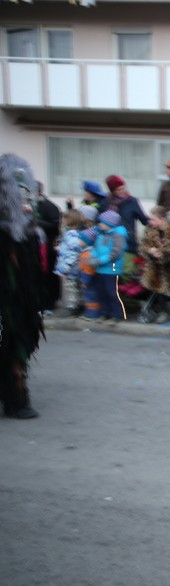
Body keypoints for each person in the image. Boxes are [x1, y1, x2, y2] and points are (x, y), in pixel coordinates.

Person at [0, 154, 46, 419]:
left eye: (28, 198)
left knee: (17, 343)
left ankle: (16, 396)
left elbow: (33, 274)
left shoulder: (27, 235)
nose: (27, 205)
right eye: (20, 198)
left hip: (19, 304)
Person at [138, 206, 170, 322]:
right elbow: (143, 245)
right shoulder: (148, 231)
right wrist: (150, 251)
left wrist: (163, 252)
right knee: (159, 290)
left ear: (162, 219)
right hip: (155, 266)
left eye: (153, 219)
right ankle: (163, 312)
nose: (150, 222)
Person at [90, 209, 128, 323]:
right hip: (100, 268)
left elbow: (115, 253)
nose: (99, 224)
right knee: (102, 291)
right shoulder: (101, 234)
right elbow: (96, 248)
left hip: (112, 268)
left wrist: (100, 260)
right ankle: (105, 313)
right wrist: (92, 257)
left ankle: (117, 314)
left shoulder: (118, 235)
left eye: (101, 222)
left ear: (109, 224)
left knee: (112, 292)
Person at [55, 207, 93, 317]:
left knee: (71, 289)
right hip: (77, 268)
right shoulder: (77, 234)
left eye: (64, 219)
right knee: (77, 288)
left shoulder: (71, 235)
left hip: (70, 269)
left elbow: (70, 254)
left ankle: (73, 308)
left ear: (69, 220)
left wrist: (63, 270)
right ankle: (80, 306)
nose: (62, 221)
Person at [104, 175, 148, 254]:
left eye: (123, 188)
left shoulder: (132, 201)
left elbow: (144, 220)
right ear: (112, 191)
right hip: (111, 243)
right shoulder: (106, 202)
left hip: (128, 244)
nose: (122, 191)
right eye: (119, 189)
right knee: (114, 266)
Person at [36, 183, 62, 311]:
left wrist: (37, 222)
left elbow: (54, 227)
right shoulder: (30, 205)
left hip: (48, 247)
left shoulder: (50, 206)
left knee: (49, 275)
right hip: (35, 247)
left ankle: (50, 301)